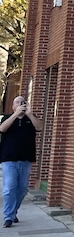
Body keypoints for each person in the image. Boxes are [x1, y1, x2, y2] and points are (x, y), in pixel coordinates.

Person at [0, 96, 42, 227]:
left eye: (22, 102)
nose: (20, 104)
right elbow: (2, 129)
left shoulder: (30, 118)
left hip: (26, 159)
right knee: (9, 188)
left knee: (23, 189)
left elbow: (40, 127)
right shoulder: (7, 118)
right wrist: (15, 115)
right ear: (13, 106)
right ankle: (8, 216)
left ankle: (13, 212)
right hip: (9, 159)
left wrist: (29, 114)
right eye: (17, 102)